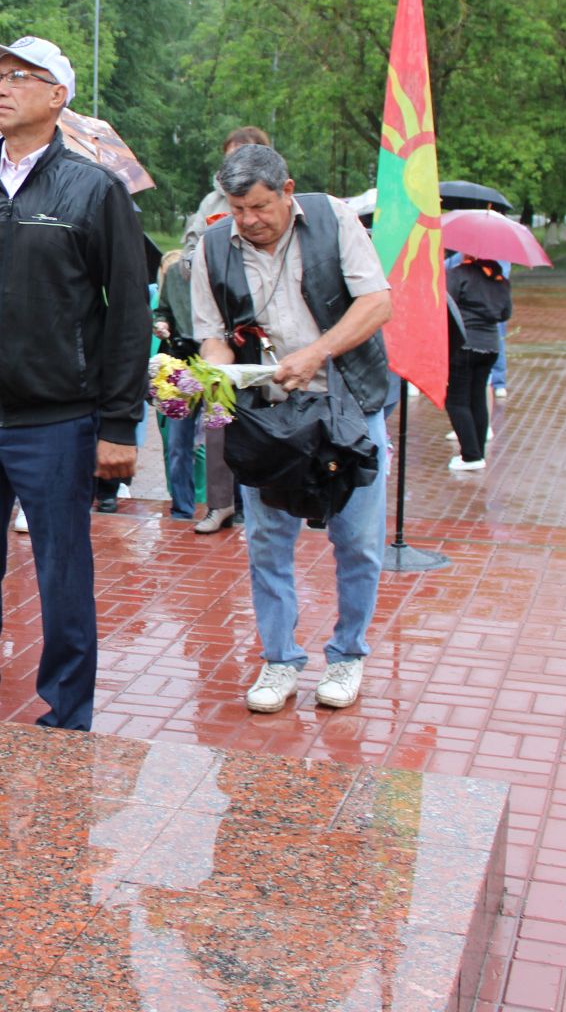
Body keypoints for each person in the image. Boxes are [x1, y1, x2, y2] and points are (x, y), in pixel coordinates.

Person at [0, 36, 150, 731]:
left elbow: (128, 316)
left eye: (22, 76)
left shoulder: (94, 190)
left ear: (58, 98)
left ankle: (67, 715)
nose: (2, 86)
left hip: (59, 422)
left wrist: (118, 424)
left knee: (62, 576)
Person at [190, 143, 393, 713]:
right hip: (268, 415)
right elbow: (212, 334)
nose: (250, 221)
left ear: (287, 190)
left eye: (260, 206)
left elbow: (377, 303)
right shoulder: (211, 246)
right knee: (267, 542)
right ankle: (280, 661)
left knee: (357, 542)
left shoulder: (331, 217)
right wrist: (210, 376)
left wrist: (316, 354)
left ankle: (347, 654)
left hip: (348, 405)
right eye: (238, 210)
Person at [193, 128, 267, 534]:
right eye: (229, 158)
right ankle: (219, 504)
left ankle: (273, 499)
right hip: (219, 328)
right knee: (217, 420)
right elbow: (192, 245)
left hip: (270, 345)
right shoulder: (211, 205)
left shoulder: (273, 201)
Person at [445, 254, 511, 471]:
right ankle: (477, 453)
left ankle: (471, 456)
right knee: (477, 398)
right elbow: (505, 314)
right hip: (491, 346)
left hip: (463, 344)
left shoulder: (458, 274)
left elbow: (445, 304)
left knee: (456, 400)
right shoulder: (500, 279)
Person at [152, 235, 202, 520]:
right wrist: (161, 324)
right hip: (182, 360)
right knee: (177, 443)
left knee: (224, 441)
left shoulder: (225, 269)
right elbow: (163, 310)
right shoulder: (174, 274)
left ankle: (232, 505)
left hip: (218, 360)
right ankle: (182, 506)